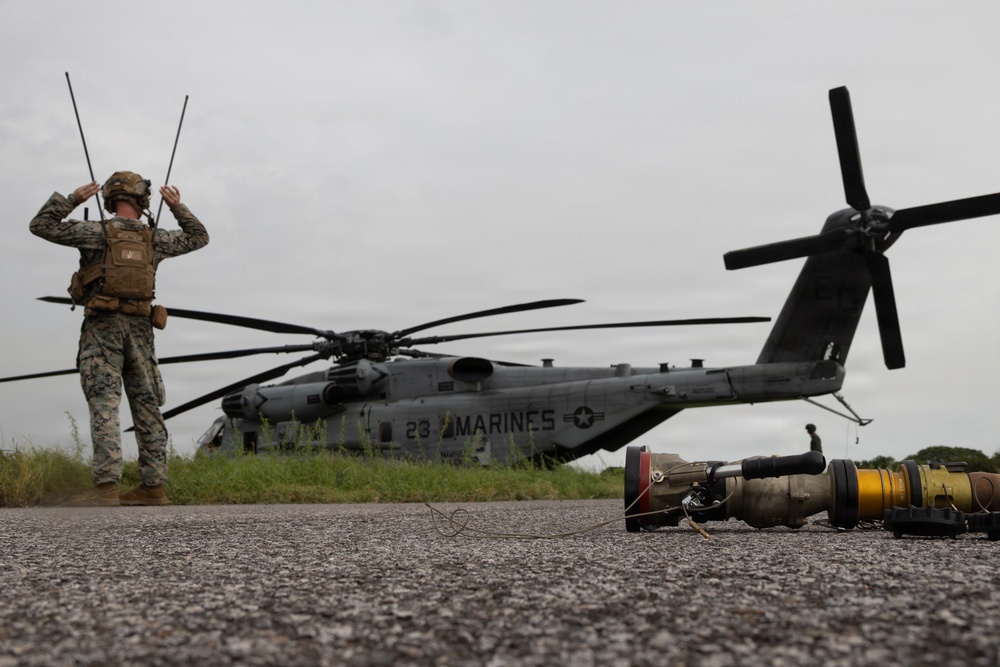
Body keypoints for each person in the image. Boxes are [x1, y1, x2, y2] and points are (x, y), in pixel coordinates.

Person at [30, 171, 209, 506]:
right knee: (147, 405)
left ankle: (107, 488)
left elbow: (40, 225)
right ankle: (154, 487)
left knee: (104, 404)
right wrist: (177, 207)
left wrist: (71, 200)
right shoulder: (155, 238)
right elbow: (199, 237)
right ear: (141, 200)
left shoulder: (93, 232)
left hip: (102, 328)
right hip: (141, 329)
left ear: (110, 199)